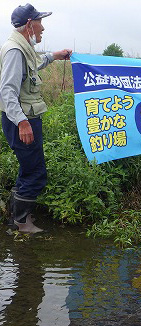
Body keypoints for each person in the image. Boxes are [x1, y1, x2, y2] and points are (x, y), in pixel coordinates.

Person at [0, 3, 72, 233]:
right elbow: (7, 91)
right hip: (22, 121)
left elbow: (33, 66)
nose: (43, 28)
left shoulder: (23, 47)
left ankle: (15, 219)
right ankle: (22, 222)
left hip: (24, 119)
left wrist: (56, 56)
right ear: (30, 25)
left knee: (28, 169)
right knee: (36, 173)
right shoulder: (14, 50)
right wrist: (22, 122)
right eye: (40, 22)